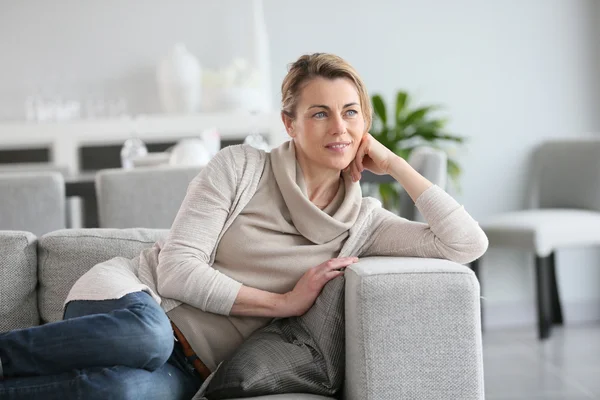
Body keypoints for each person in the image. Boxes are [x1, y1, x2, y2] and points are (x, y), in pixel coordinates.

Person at [0, 53, 488, 399]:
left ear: (366, 126)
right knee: (148, 339)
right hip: (133, 306)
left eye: (351, 113)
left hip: (194, 368)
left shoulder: (365, 222)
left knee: (123, 393)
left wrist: (398, 165)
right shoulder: (240, 166)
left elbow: (465, 244)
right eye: (320, 113)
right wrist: (283, 303)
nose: (339, 128)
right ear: (289, 123)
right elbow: (176, 273)